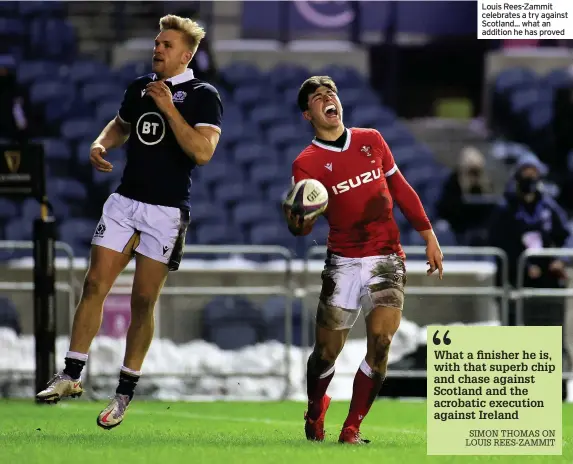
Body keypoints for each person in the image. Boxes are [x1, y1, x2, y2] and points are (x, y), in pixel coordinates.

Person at [36, 15, 223, 429]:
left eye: (166, 45)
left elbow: (202, 152)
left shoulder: (202, 95)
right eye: (157, 43)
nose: (157, 49)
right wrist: (102, 142)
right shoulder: (139, 87)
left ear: (186, 55)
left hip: (166, 210)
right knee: (94, 283)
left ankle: (123, 393)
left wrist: (169, 109)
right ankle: (71, 374)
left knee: (142, 301)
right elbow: (121, 125)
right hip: (124, 202)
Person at [283, 76, 443, 444]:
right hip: (343, 260)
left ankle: (352, 427)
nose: (327, 99)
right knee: (325, 352)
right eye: (318, 97)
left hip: (386, 255)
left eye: (331, 93)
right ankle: (315, 407)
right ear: (308, 114)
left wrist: (428, 234)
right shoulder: (305, 163)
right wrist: (298, 222)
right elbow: (303, 229)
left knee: (382, 341)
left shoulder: (371, 140)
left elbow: (400, 187)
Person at [486, 156, 571, 386]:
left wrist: (561, 260)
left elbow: (567, 236)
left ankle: (556, 386)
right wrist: (520, 265)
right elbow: (498, 244)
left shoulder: (548, 207)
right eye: (526, 173)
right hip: (516, 283)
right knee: (517, 337)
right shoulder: (505, 209)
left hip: (547, 284)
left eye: (535, 174)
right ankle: (519, 387)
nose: (530, 179)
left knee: (551, 335)